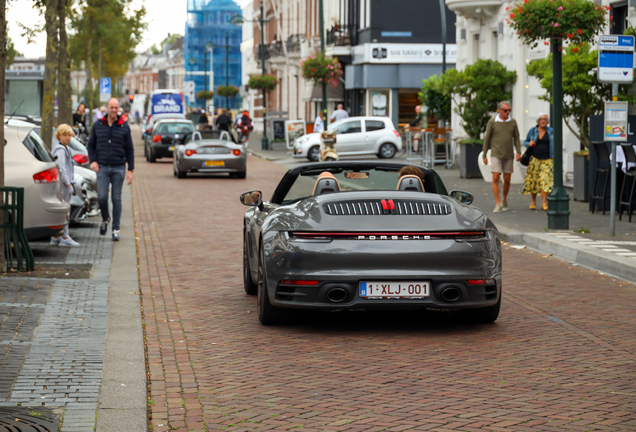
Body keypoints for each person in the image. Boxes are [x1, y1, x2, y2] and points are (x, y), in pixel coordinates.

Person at [87, 97, 134, 241]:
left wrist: (130, 170)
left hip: (119, 167)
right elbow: (91, 145)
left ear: (118, 109)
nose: (113, 110)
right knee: (101, 196)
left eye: (116, 108)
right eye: (111, 107)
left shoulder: (124, 126)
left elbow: (129, 149)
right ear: (106, 108)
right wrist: (93, 160)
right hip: (102, 167)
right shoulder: (98, 125)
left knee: (116, 198)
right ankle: (106, 218)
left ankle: (115, 229)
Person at [482, 101, 521, 213]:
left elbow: (517, 137)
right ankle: (498, 203)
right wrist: (484, 154)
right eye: (505, 110)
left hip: (508, 154)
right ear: (499, 110)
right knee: (495, 176)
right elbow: (487, 138)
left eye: (509, 110)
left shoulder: (513, 122)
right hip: (496, 153)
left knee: (507, 179)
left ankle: (504, 198)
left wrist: (518, 151)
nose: (507, 112)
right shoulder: (493, 122)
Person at [50, 124, 80, 247]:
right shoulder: (61, 150)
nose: (67, 138)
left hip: (64, 184)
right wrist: (68, 183)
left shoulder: (64, 148)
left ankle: (56, 236)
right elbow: (62, 167)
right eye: (65, 135)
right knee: (66, 210)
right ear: (59, 136)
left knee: (62, 210)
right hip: (64, 185)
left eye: (69, 135)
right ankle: (65, 236)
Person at [522, 112, 554, 211]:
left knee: (545, 180)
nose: (543, 121)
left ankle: (544, 203)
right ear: (538, 121)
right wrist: (529, 143)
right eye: (541, 119)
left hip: (547, 159)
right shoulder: (533, 131)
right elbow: (526, 141)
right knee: (534, 181)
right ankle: (533, 201)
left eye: (545, 119)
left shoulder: (551, 131)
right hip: (535, 159)